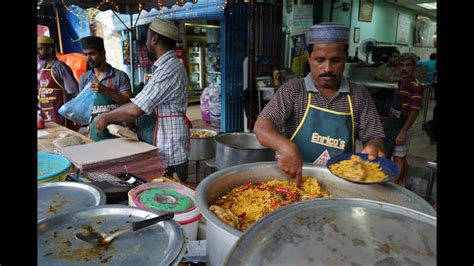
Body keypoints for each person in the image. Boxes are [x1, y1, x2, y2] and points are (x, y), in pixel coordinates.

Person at [254, 23, 386, 187]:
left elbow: (374, 137)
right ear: (309, 58)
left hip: (340, 184)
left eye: (336, 61)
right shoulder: (294, 90)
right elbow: (262, 127)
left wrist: (374, 146)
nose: (328, 68)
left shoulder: (359, 95)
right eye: (320, 60)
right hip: (294, 180)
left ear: (346, 58)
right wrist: (286, 148)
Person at [93, 18, 191, 182]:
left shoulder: (168, 70)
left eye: (147, 39)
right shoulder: (165, 68)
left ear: (155, 39)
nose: (145, 44)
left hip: (170, 148)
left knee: (170, 196)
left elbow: (136, 108)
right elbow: (143, 103)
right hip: (165, 142)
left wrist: (106, 117)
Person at [78, 36, 132, 141]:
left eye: (92, 54)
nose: (88, 59)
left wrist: (106, 90)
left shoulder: (119, 76)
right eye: (85, 54)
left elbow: (128, 102)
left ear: (103, 53)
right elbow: (83, 107)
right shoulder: (84, 78)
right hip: (95, 134)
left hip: (118, 132)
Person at [382, 52, 424, 187]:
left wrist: (403, 131)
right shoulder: (402, 82)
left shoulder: (415, 85)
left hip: (404, 124)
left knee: (397, 157)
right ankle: (402, 183)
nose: (404, 68)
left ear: (414, 67)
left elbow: (415, 111)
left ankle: (393, 188)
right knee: (401, 154)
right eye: (401, 65)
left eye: (408, 65)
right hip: (396, 122)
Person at [38, 36, 79, 129]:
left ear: (49, 49)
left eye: (40, 49)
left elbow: (74, 93)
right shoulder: (42, 68)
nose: (37, 52)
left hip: (62, 119)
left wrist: (74, 116)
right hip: (46, 118)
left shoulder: (60, 67)